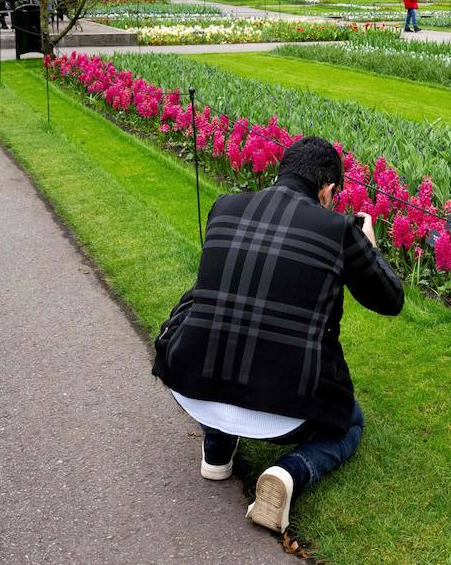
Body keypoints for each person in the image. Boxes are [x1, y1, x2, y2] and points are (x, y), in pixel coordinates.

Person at [154, 137, 403, 533]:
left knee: (231, 333)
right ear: (328, 190)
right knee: (350, 422)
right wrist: (369, 247)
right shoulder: (339, 229)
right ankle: (289, 473)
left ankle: (217, 450)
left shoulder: (225, 205)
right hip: (286, 406)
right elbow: (390, 300)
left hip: (192, 383)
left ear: (280, 171)